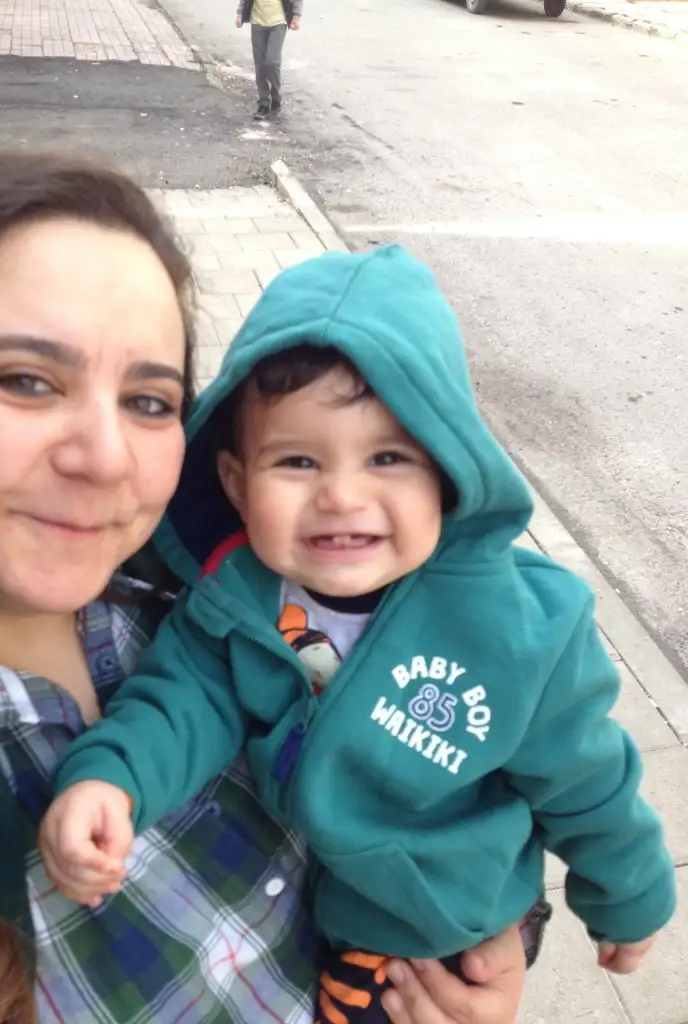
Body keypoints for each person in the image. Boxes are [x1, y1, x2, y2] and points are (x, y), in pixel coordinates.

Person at [0, 151, 530, 1024]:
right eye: (26, 381)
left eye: (148, 401)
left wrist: (486, 941)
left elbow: (456, 751)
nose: (105, 458)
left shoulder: (213, 591)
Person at [41, 245, 677, 1021]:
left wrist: (630, 896)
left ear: (449, 471)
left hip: (441, 920)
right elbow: (179, 702)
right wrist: (111, 779)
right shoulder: (236, 597)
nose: (342, 496)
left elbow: (588, 779)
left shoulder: (519, 629)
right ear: (236, 483)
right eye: (298, 462)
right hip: (321, 906)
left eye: (387, 458)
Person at [236, 0, 302, 121]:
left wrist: (296, 16)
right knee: (260, 65)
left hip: (279, 22)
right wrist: (240, 13)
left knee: (272, 62)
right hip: (257, 22)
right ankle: (263, 103)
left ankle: (276, 96)